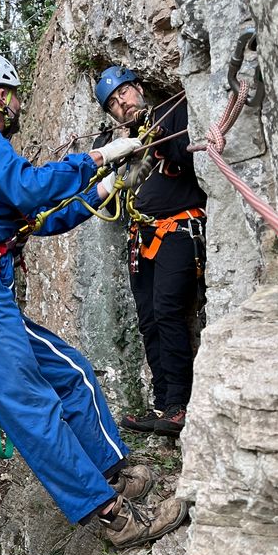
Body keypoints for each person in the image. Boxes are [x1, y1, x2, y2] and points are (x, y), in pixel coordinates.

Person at [0, 49, 188, 550]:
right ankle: (114, 518)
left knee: (71, 373)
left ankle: (112, 472)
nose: (18, 104)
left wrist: (106, 188)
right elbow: (31, 188)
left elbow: (42, 218)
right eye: (14, 95)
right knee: (34, 407)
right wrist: (99, 158)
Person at [94, 65, 207, 436]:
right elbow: (110, 201)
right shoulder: (124, 146)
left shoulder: (171, 113)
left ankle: (179, 406)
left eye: (123, 93)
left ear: (138, 88)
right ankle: (163, 405)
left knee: (167, 311)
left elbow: (185, 156)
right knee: (148, 319)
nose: (121, 103)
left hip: (178, 229)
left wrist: (154, 128)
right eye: (113, 103)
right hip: (141, 238)